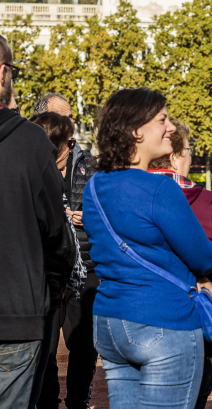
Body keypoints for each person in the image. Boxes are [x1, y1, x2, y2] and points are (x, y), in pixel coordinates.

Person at [83, 88, 212, 409]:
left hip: (111, 321)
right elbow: (204, 256)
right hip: (163, 322)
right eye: (162, 119)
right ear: (136, 131)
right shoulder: (161, 188)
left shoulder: (95, 185)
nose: (170, 127)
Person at [0, 36, 72, 408]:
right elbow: (57, 233)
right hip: (16, 316)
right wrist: (50, 288)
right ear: (2, 74)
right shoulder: (31, 142)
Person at [148, 117, 212, 409]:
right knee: (194, 392)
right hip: (191, 309)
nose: (191, 156)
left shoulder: (133, 190)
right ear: (174, 156)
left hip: (141, 309)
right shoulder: (203, 199)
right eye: (188, 150)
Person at [34, 94, 98, 409]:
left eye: (70, 116)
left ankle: (78, 402)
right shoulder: (29, 161)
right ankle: (47, 402)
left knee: (85, 346)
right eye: (61, 117)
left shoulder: (90, 165)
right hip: (44, 271)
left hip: (86, 267)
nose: (68, 123)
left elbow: (110, 213)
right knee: (43, 348)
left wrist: (92, 217)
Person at [27, 113, 83, 409]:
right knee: (43, 357)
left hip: (67, 281)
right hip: (38, 291)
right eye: (69, 142)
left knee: (78, 348)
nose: (73, 149)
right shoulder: (35, 182)